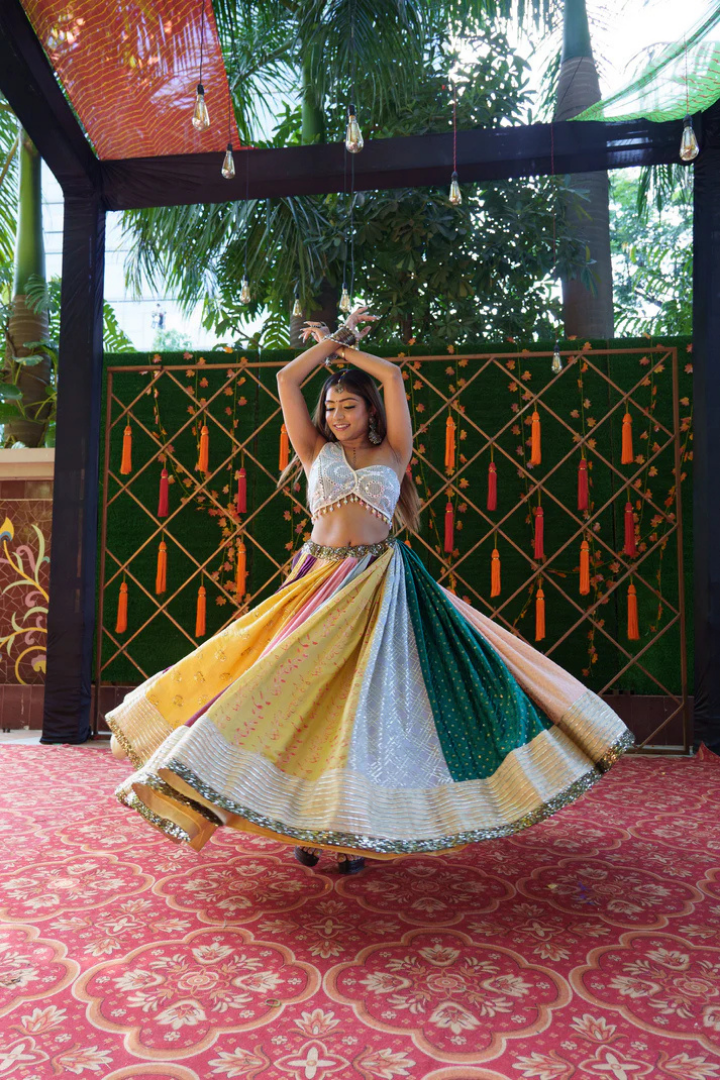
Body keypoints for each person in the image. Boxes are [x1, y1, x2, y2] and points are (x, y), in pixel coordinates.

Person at [107, 306, 635, 874]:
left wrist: (348, 351)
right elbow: (287, 380)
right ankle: (303, 825)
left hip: (382, 585)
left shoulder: (393, 453)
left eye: (348, 406)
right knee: (299, 704)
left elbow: (393, 377)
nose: (336, 416)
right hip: (318, 584)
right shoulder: (314, 451)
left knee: (365, 713)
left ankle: (349, 831)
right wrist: (331, 343)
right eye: (330, 407)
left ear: (370, 412)